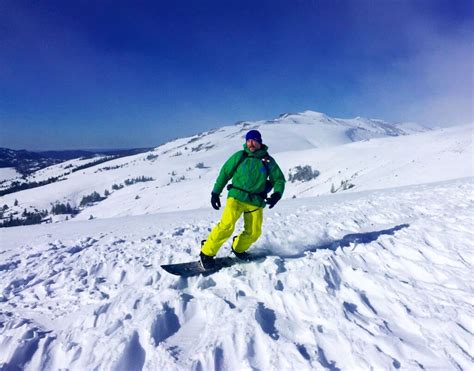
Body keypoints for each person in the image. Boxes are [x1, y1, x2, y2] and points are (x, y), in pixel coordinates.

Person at [200, 129, 286, 269]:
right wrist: (216, 192)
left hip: (256, 201)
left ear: (259, 142)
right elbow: (225, 173)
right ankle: (206, 253)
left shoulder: (268, 161)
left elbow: (279, 180)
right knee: (227, 226)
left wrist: (277, 194)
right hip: (236, 197)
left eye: (254, 140)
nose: (251, 143)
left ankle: (238, 248)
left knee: (254, 232)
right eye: (248, 140)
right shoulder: (240, 156)